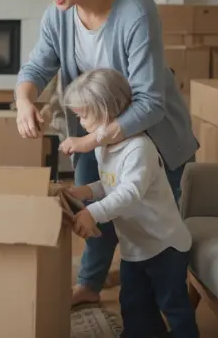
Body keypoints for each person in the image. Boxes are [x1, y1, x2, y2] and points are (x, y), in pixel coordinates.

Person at [13, 0, 198, 307]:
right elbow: (36, 66)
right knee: (93, 205)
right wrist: (24, 100)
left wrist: (89, 140)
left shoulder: (135, 9)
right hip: (95, 134)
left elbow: (150, 102)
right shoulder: (57, 16)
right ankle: (91, 284)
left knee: (155, 225)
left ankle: (177, 295)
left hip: (154, 136)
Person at [63, 68, 198, 338]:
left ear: (105, 109)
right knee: (134, 305)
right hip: (135, 246)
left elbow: (129, 192)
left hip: (164, 245)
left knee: (173, 305)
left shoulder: (139, 148)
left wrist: (93, 212)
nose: (80, 122)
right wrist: (85, 192)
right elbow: (111, 183)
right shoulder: (104, 148)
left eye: (83, 115)